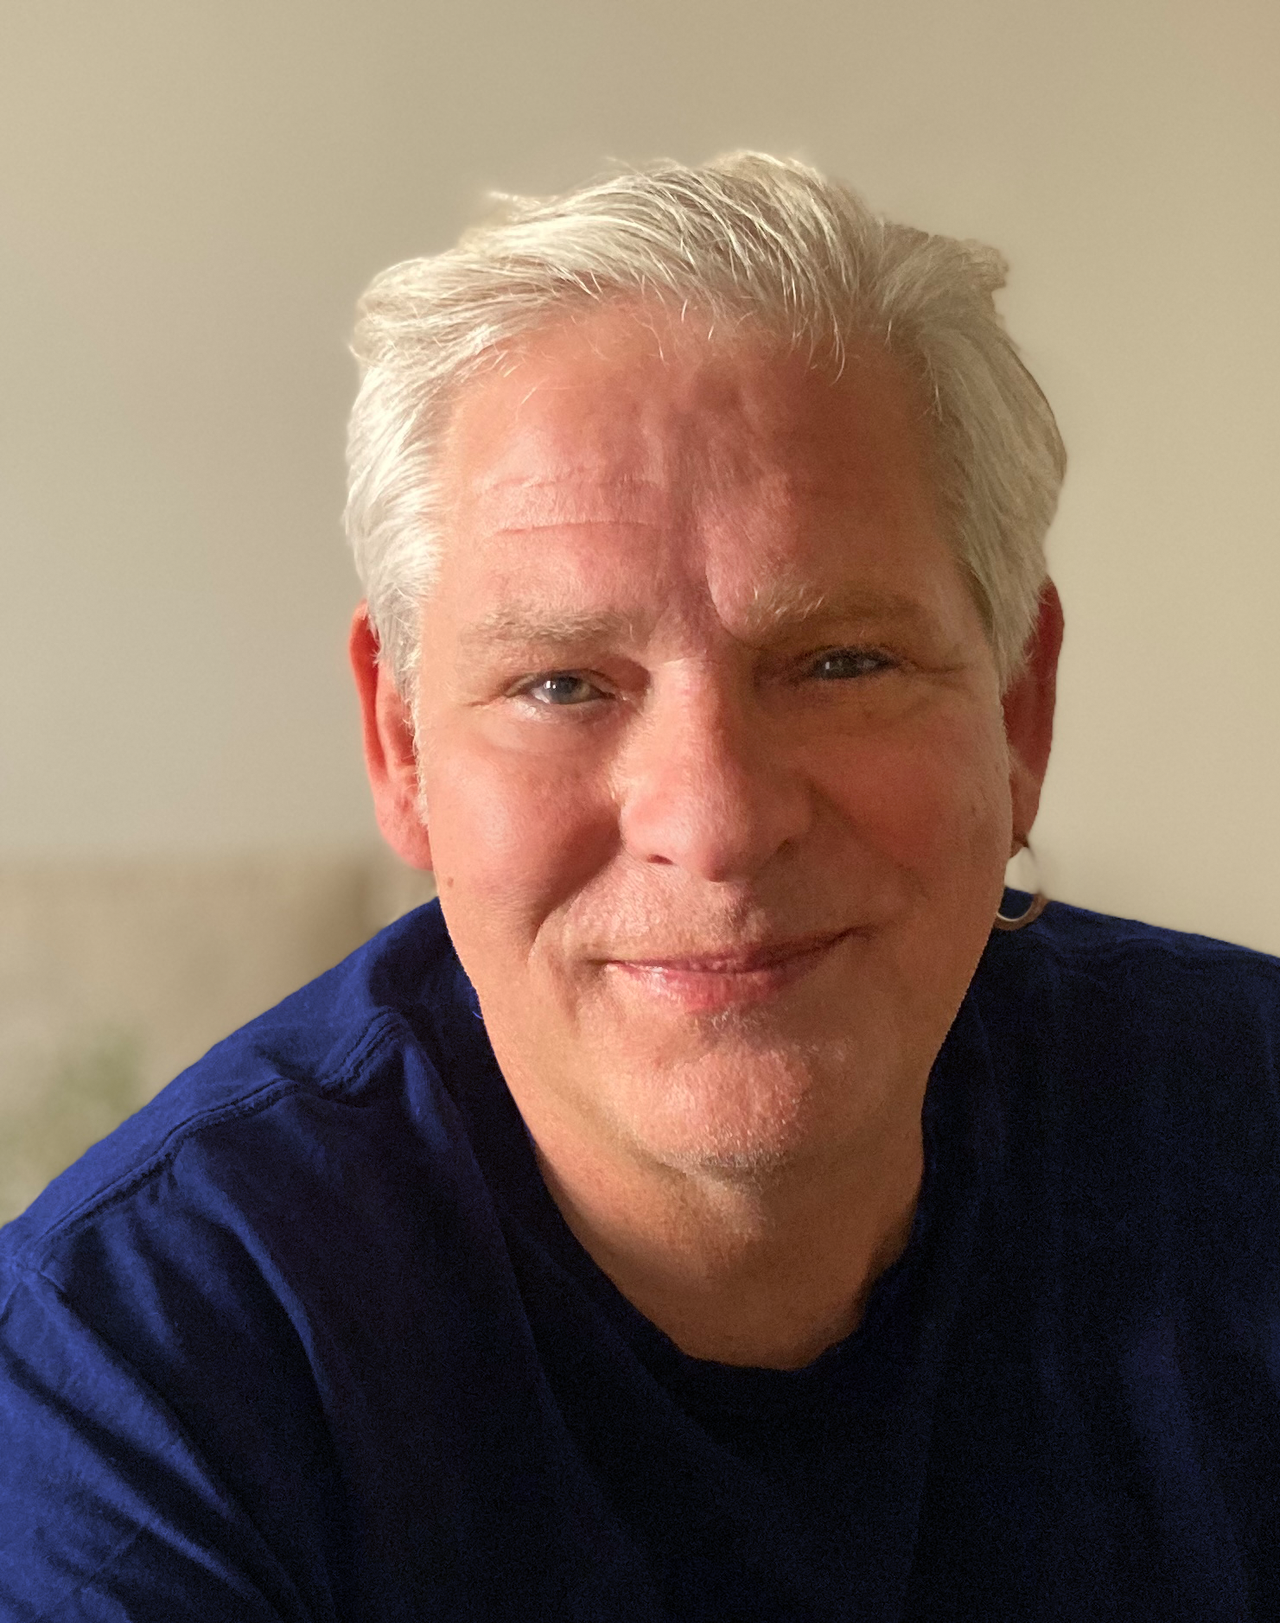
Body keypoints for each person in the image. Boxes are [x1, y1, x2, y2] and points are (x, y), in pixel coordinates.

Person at [1, 154, 1277, 1621]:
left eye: (840, 661)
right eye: (562, 682)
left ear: (1016, 708)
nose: (716, 823)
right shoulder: (126, 1384)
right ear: (403, 743)